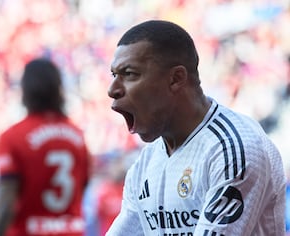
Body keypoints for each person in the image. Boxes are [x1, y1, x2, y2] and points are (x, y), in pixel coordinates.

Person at [106, 20, 286, 236]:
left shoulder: (233, 149)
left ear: (176, 79)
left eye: (129, 74)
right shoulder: (145, 164)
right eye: (114, 75)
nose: (112, 89)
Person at [0, 58, 91, 236]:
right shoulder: (78, 136)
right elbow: (82, 186)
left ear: (25, 90)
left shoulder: (13, 137)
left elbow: (6, 202)